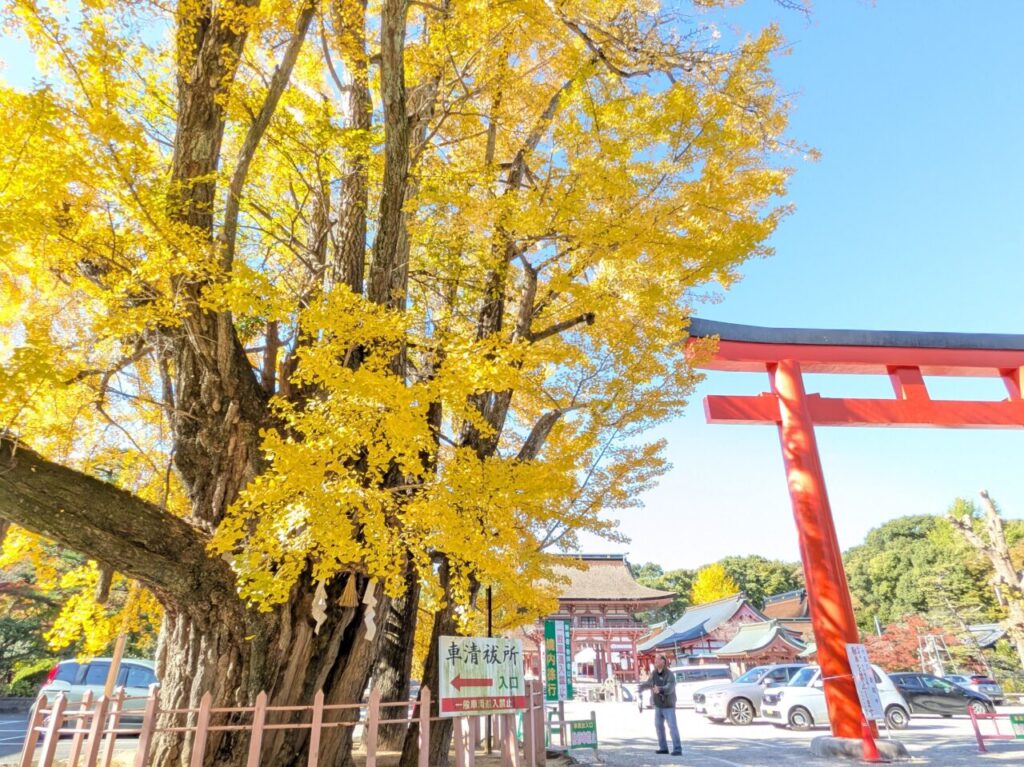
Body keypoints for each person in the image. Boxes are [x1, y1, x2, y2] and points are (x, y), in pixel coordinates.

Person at [638, 654, 682, 755]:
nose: (655, 661)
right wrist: (641, 687)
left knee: (672, 727)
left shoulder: (669, 674)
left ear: (663, 661)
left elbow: (670, 687)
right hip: (658, 705)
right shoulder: (654, 673)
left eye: (658, 659)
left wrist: (660, 689)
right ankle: (663, 748)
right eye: (655, 659)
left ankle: (677, 749)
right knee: (658, 726)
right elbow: (649, 683)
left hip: (668, 705)